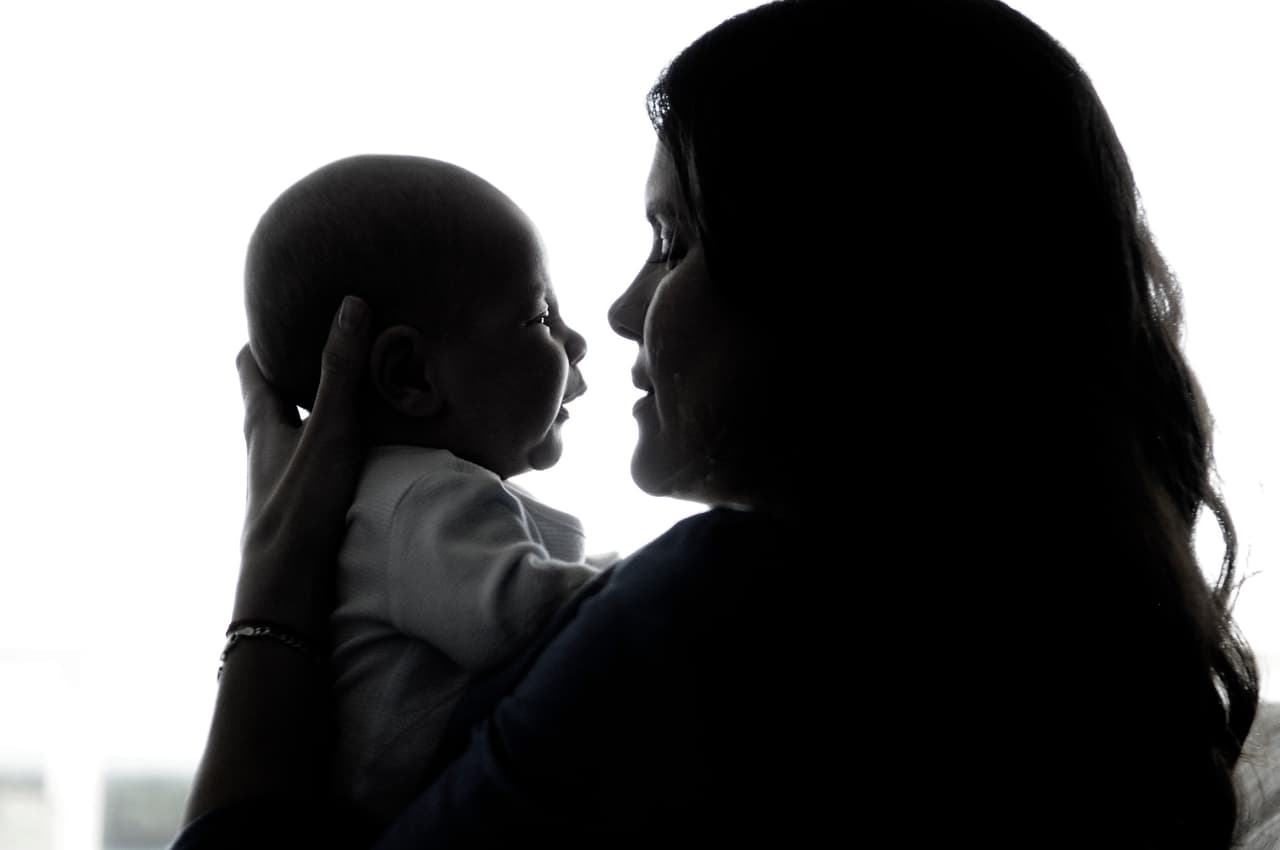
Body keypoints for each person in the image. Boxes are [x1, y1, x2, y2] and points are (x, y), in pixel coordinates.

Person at [175, 1, 1261, 847]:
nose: (615, 309)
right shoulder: (1042, 652)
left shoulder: (715, 613)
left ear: (843, 281)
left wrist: (275, 583)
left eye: (672, 238)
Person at [243, 154, 599, 830]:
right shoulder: (423, 497)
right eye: (539, 318)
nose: (575, 341)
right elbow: (533, 621)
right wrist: (660, 573)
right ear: (410, 375)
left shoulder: (372, 504)